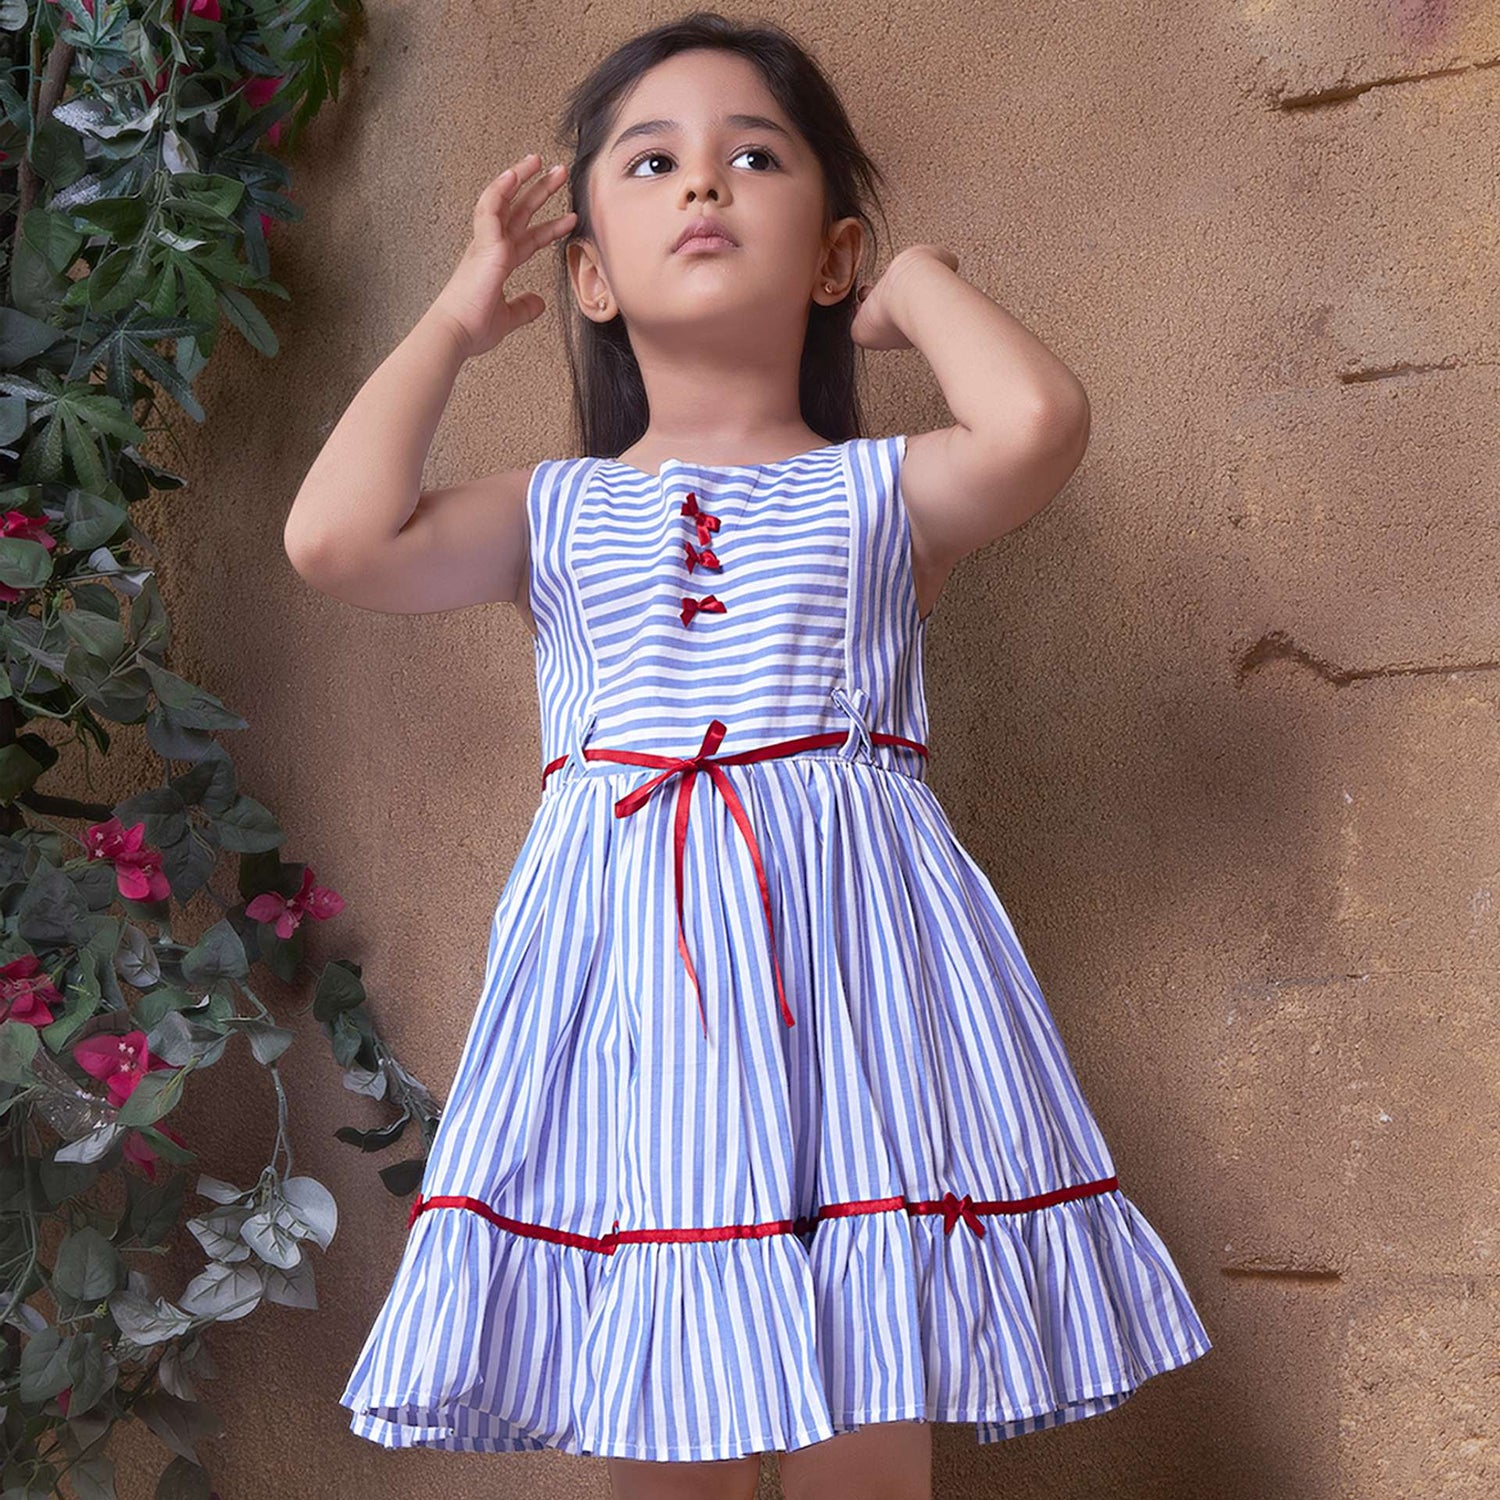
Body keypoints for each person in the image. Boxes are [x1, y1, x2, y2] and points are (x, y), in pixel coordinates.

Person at [284, 12, 1213, 1499]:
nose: (703, 188)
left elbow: (1037, 418)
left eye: (753, 158)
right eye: (651, 164)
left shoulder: (880, 493)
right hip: (634, 995)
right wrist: (458, 313)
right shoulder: (553, 511)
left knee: (864, 1388)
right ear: (587, 271)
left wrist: (917, 286)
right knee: (666, 1409)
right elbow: (334, 539)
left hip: (852, 988)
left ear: (830, 257)